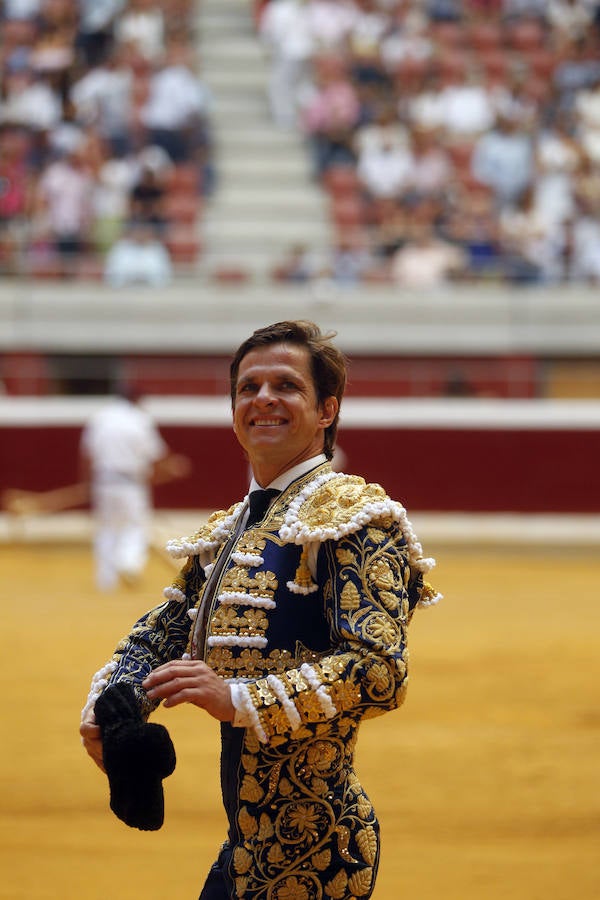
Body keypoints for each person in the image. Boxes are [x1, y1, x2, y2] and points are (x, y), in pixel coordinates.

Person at [80, 320, 440, 898]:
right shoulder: (234, 527)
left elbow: (380, 672)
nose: (263, 398)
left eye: (285, 386)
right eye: (248, 388)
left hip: (318, 857)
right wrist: (113, 709)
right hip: (248, 850)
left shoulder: (357, 518)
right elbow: (163, 633)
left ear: (327, 410)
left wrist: (238, 698)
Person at [80, 385, 189, 590]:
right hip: (131, 483)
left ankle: (106, 581)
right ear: (137, 401)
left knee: (107, 529)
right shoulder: (140, 420)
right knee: (135, 526)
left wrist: (88, 483)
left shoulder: (101, 417)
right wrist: (168, 470)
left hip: (103, 481)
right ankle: (129, 564)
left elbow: (87, 455)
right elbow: (156, 455)